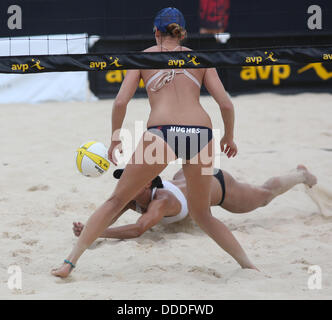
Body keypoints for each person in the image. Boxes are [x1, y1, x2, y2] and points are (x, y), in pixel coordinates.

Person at [52, 7, 240, 278]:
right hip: (201, 134)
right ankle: (249, 266)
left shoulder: (143, 58)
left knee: (117, 200)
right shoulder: (200, 59)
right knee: (203, 215)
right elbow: (226, 104)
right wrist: (229, 137)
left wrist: (116, 137)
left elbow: (120, 102)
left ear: (155, 32)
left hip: (163, 133)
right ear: (183, 33)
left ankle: (68, 263)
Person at [72, 165, 317, 252]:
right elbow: (108, 216)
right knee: (259, 195)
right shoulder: (129, 196)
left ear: (146, 182)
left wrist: (96, 233)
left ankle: (300, 175)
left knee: (262, 197)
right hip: (188, 176)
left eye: (129, 179)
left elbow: (138, 229)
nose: (123, 183)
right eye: (123, 178)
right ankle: (299, 174)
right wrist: (90, 227)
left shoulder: (162, 200)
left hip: (216, 185)